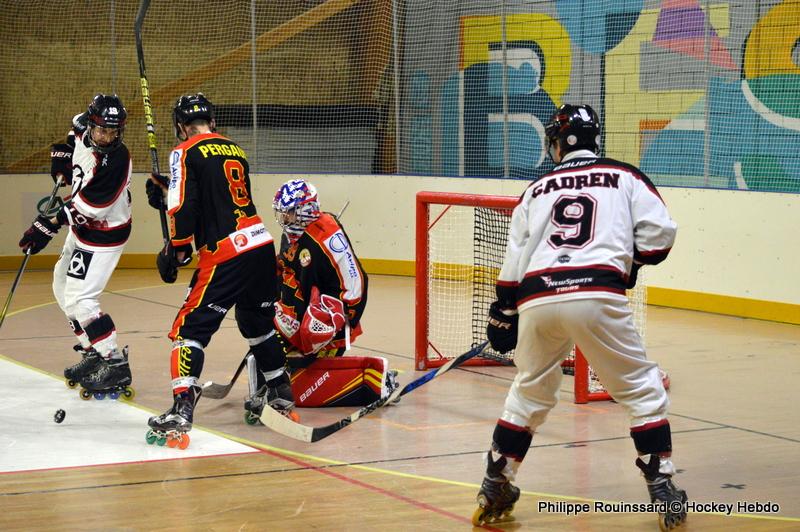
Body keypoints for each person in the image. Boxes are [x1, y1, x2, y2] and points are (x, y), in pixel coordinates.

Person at [473, 104, 685, 529]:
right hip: (596, 292)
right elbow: (661, 234)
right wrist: (629, 265)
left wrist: (504, 310)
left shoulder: (536, 189)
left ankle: (496, 480)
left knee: (528, 391)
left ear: (557, 142)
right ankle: (661, 483)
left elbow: (515, 258)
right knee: (641, 389)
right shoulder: (625, 176)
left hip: (537, 297)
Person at [145, 93, 280, 443]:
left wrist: (176, 249)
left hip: (228, 254)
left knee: (188, 329)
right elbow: (218, 195)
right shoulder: (235, 149)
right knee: (257, 325)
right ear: (213, 121)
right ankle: (280, 394)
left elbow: (182, 208)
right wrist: (167, 185)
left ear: (180, 126)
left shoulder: (183, 151)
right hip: (262, 247)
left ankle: (181, 409)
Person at [243, 178, 395, 415]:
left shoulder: (328, 238)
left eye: (290, 213)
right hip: (298, 313)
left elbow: (357, 284)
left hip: (323, 320)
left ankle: (378, 381)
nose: (284, 219)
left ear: (306, 210)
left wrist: (340, 321)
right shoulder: (292, 234)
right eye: (282, 213)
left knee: (303, 383)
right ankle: (272, 386)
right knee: (267, 347)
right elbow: (285, 266)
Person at [19, 94, 133, 398]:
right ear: (92, 123)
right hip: (84, 233)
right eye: (102, 131)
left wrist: (46, 226)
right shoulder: (84, 127)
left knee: (82, 300)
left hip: (104, 235)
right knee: (60, 286)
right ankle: (92, 349)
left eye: (114, 132)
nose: (107, 137)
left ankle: (114, 361)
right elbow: (73, 137)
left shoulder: (118, 161)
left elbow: (91, 207)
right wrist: (64, 155)